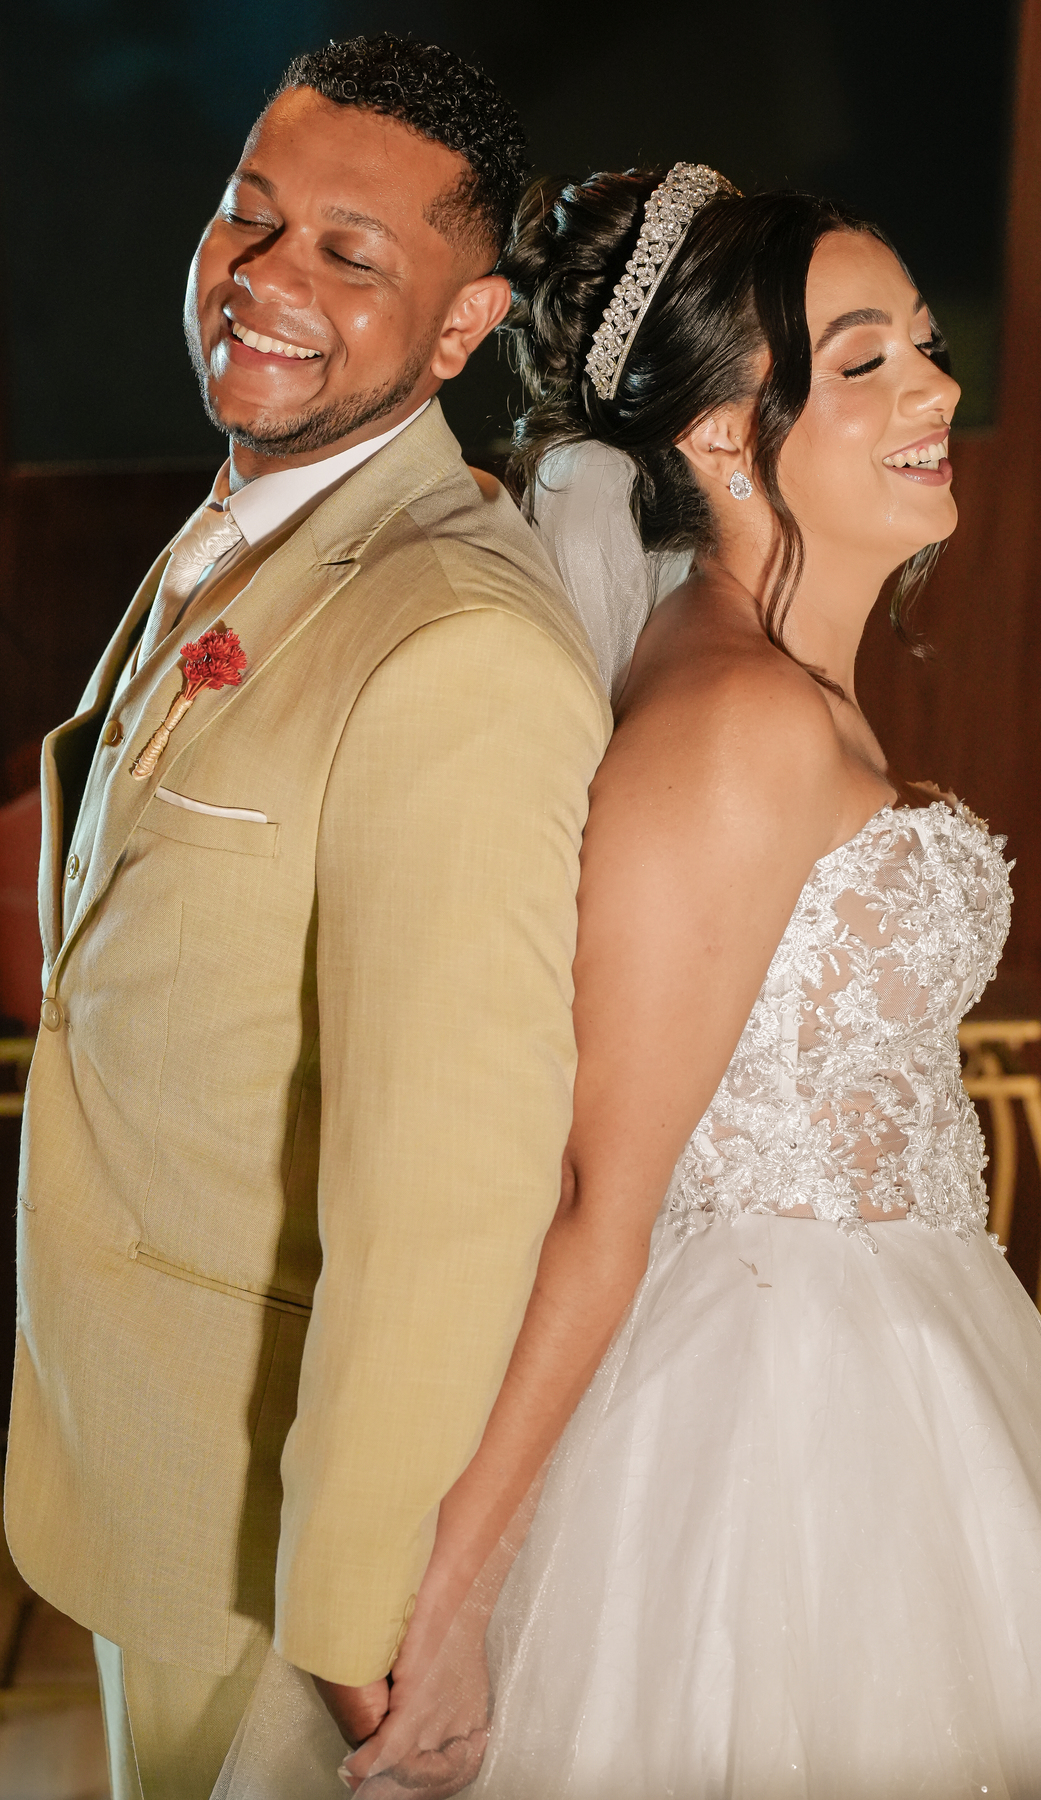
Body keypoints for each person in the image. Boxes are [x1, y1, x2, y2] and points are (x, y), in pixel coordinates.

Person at [228, 168, 1041, 1800]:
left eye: (927, 344)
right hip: (765, 1417)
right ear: (722, 437)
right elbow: (594, 1192)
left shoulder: (782, 686)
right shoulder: (738, 724)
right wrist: (445, 1606)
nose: (936, 389)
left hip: (894, 1361)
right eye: (866, 358)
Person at [3, 33, 611, 1800]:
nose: (263, 279)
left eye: (351, 253)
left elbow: (446, 1189)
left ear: (465, 324)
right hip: (152, 1454)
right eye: (247, 215)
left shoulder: (460, 647)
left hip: (280, 1539)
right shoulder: (258, 512)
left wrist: (357, 1620)